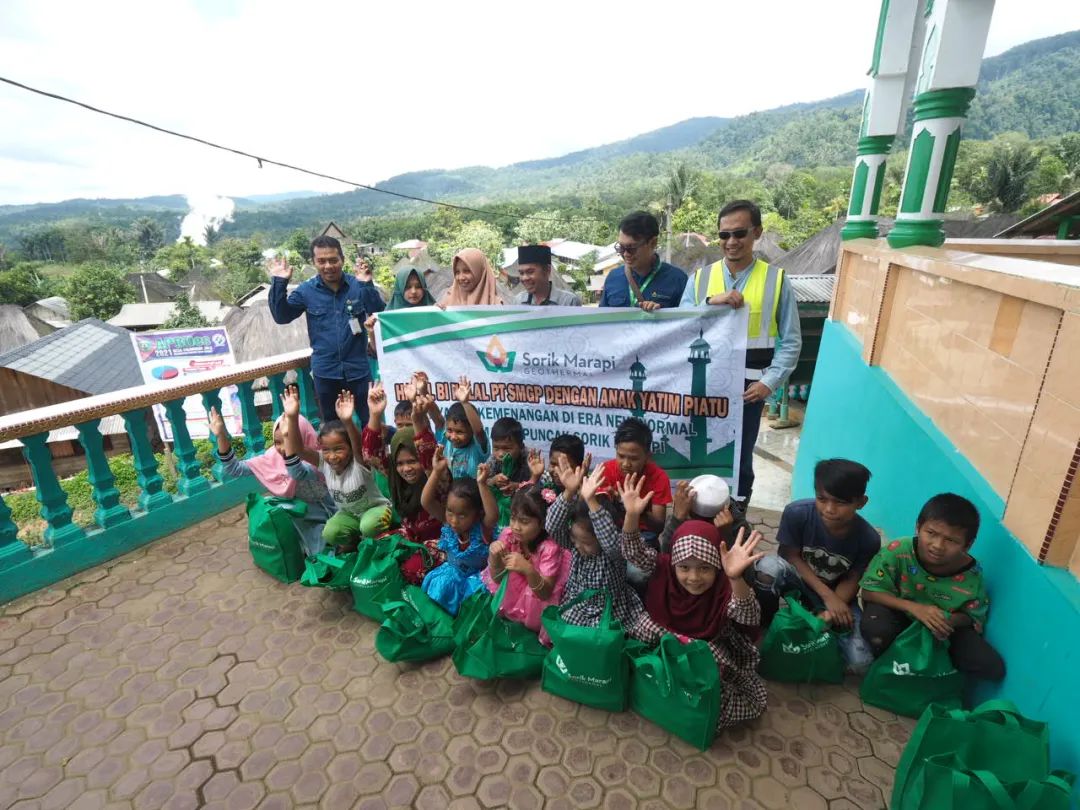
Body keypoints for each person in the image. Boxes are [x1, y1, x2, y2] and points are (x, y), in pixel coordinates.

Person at [619, 476, 769, 728]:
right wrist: (632, 515)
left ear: (717, 567)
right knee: (642, 628)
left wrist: (735, 577)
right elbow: (633, 551)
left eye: (705, 568)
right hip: (663, 636)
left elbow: (748, 614)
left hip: (702, 647)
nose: (694, 578)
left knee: (715, 665)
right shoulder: (663, 566)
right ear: (674, 563)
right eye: (684, 567)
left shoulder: (723, 585)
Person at [679, 200, 802, 508]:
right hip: (704, 387)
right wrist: (710, 301)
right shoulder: (700, 279)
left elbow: (791, 340)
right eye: (724, 235)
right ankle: (697, 516)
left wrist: (769, 383)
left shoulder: (776, 280)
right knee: (699, 452)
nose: (731, 241)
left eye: (739, 233)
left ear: (756, 232)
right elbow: (680, 326)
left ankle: (735, 517)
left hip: (749, 391)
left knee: (740, 458)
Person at [750, 459, 879, 673]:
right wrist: (828, 597)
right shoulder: (797, 513)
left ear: (861, 502)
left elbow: (853, 578)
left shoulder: (869, 539)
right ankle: (766, 621)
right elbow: (790, 555)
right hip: (799, 581)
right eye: (822, 499)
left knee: (861, 663)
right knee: (768, 568)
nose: (829, 509)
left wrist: (831, 610)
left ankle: (821, 640)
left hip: (839, 593)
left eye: (840, 502)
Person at [859, 493, 1005, 682]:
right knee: (876, 628)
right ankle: (890, 668)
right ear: (918, 527)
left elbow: (972, 617)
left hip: (941, 629)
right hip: (899, 614)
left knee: (991, 666)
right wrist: (915, 608)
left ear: (967, 545)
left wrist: (946, 621)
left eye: (951, 540)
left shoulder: (972, 576)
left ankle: (931, 675)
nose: (938, 545)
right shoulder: (898, 551)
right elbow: (869, 591)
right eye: (931, 533)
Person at [268, 235, 385, 425]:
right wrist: (279, 282)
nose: (328, 266)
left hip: (359, 371)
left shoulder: (357, 285)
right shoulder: (306, 291)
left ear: (342, 260)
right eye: (321, 261)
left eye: (333, 260)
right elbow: (282, 317)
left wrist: (366, 284)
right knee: (333, 429)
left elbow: (378, 313)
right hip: (326, 374)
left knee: (372, 423)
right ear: (313, 262)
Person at [208, 401, 333, 557]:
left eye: (289, 440)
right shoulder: (271, 458)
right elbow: (234, 469)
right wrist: (221, 436)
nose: (282, 448)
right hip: (299, 517)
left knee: (330, 544)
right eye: (278, 442)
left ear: (302, 438)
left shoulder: (316, 458)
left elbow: (297, 472)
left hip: (327, 512)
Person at [281, 387, 392, 554]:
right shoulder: (325, 464)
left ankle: (381, 543)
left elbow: (359, 446)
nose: (332, 456)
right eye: (326, 450)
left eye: (339, 449)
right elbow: (299, 449)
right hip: (350, 515)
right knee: (330, 532)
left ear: (350, 448)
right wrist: (292, 416)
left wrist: (348, 421)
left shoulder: (359, 462)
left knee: (368, 526)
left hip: (376, 510)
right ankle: (355, 543)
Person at [361, 384, 443, 583]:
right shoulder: (395, 475)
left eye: (412, 461)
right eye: (400, 463)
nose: (406, 469)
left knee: (410, 570)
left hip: (439, 542)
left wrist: (418, 419)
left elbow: (427, 453)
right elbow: (370, 455)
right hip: (411, 537)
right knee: (372, 549)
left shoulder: (436, 474)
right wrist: (374, 414)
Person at [546, 461, 643, 629]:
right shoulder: (575, 547)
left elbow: (610, 542)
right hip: (579, 609)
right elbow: (552, 527)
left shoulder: (612, 553)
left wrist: (591, 501)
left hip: (611, 611)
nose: (577, 546)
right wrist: (569, 492)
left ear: (600, 537)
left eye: (586, 542)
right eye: (574, 539)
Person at [480, 480, 571, 646]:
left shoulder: (550, 548)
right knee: (509, 573)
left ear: (542, 523)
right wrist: (494, 558)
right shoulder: (509, 535)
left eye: (524, 521)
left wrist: (528, 570)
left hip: (539, 598)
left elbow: (545, 593)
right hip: (516, 593)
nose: (516, 527)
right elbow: (498, 579)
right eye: (513, 518)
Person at [419, 447, 498, 616]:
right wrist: (436, 471)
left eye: (462, 515)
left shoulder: (482, 530)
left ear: (477, 514)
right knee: (441, 585)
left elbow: (493, 515)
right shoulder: (448, 523)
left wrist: (482, 484)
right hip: (453, 574)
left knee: (476, 602)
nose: (454, 521)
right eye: (450, 512)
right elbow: (426, 501)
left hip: (476, 580)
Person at [599, 211, 687, 310]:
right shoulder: (613, 277)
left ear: (653, 243)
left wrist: (660, 315)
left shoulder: (678, 280)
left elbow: (688, 318)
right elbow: (601, 317)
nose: (626, 254)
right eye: (621, 247)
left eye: (631, 248)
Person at [598, 417, 671, 536]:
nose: (626, 464)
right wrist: (607, 501)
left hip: (643, 533)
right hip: (613, 530)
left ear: (647, 456)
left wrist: (639, 510)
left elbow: (658, 527)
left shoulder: (659, 477)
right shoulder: (605, 470)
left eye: (634, 458)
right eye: (621, 456)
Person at [658, 476, 739, 553]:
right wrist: (677, 518)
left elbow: (741, 560)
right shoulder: (682, 513)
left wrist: (726, 536)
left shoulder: (733, 520)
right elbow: (666, 554)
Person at [441, 376, 490, 480]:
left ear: (471, 432)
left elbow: (479, 431)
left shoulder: (477, 447)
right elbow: (437, 421)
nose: (453, 437)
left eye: (459, 432)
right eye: (449, 430)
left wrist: (465, 403)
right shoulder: (447, 442)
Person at [512, 244, 582, 306]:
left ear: (547, 270)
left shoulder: (568, 302)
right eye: (521, 273)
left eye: (530, 272)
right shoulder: (518, 301)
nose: (524, 278)